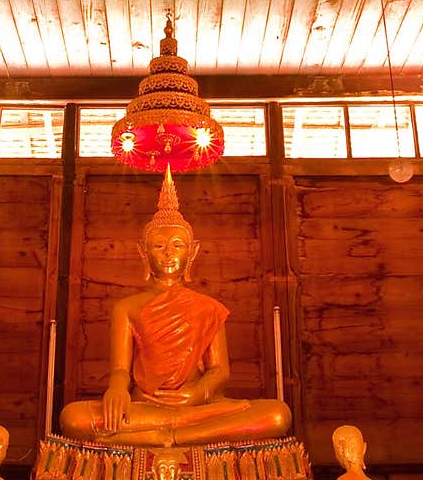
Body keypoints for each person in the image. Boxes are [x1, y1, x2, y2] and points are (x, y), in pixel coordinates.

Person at [60, 168, 292, 446]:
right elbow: (121, 370)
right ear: (143, 252)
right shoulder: (127, 308)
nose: (169, 253)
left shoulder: (208, 307)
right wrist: (117, 390)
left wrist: (197, 395)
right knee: (72, 418)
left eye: (178, 245)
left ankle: (168, 436)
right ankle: (174, 433)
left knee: (277, 415)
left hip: (198, 407)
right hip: (144, 407)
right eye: (158, 246)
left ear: (192, 252)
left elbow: (220, 370)